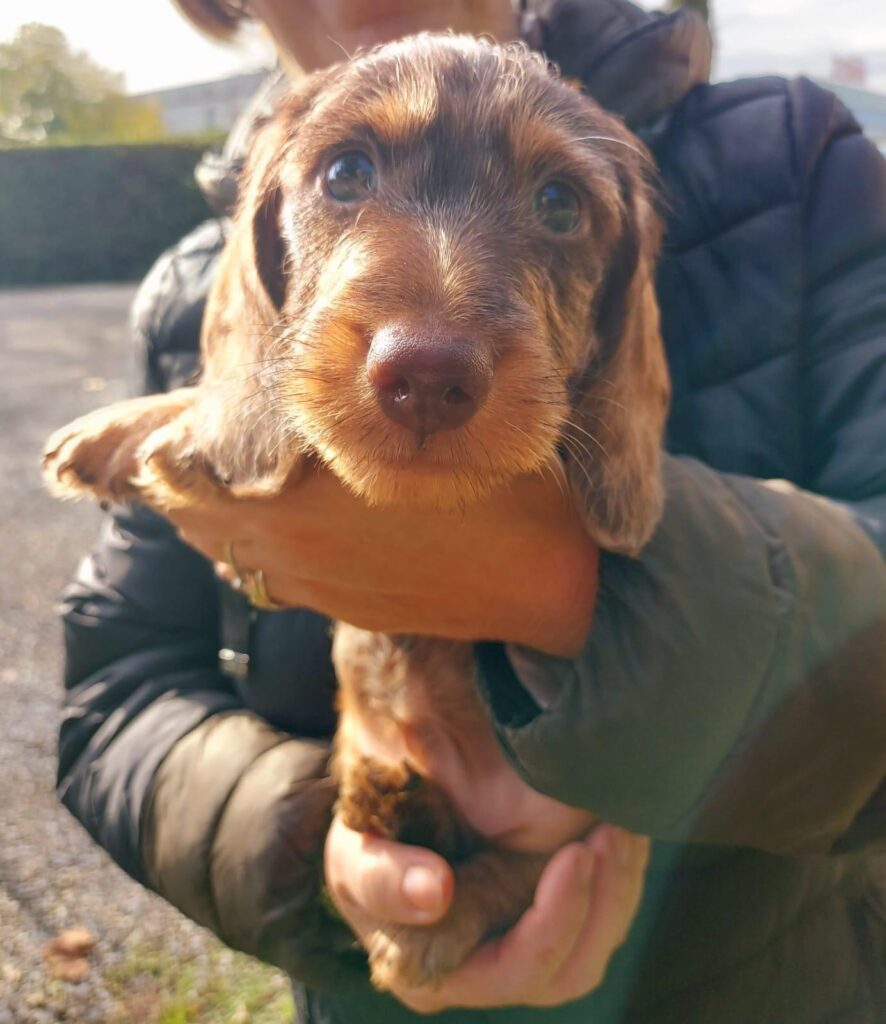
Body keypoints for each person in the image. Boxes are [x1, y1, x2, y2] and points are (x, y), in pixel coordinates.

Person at [57, 1, 886, 1021]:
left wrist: (564, 589)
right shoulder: (189, 296)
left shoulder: (801, 167)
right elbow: (118, 697)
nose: (428, 341)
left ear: (621, 295)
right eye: (346, 176)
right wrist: (328, 863)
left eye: (557, 204)